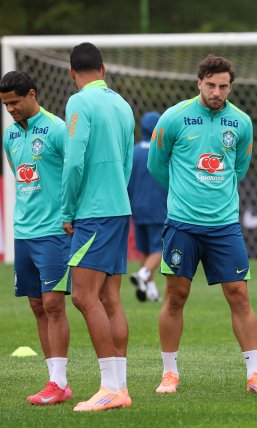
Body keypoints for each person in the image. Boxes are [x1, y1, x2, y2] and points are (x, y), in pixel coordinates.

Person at [147, 55, 257, 395]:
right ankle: (169, 374)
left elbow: (240, 168)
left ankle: (255, 375)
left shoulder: (242, 122)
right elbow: (156, 165)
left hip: (224, 227)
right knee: (176, 297)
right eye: (211, 85)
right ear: (199, 83)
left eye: (223, 86)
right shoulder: (174, 117)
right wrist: (183, 195)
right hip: (182, 226)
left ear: (231, 87)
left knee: (240, 296)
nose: (217, 92)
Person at [61, 42, 135, 412]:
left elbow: (74, 162)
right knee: (109, 297)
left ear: (72, 72)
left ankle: (108, 387)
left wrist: (67, 208)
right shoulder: (122, 104)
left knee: (82, 297)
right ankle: (120, 388)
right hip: (119, 209)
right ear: (103, 70)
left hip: (94, 211)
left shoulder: (78, 103)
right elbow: (127, 162)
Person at [1, 71, 72, 406]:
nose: (10, 109)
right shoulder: (9, 136)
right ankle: (53, 380)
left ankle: (59, 383)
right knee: (35, 305)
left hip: (53, 233)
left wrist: (69, 214)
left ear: (31, 94)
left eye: (15, 102)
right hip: (24, 233)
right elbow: (22, 179)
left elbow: (75, 174)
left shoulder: (57, 129)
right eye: (5, 104)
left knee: (54, 303)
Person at [127, 111, 165, 303]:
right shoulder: (162, 151)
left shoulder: (133, 152)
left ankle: (150, 290)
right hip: (158, 207)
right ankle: (142, 275)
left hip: (137, 208)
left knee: (145, 250)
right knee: (160, 248)